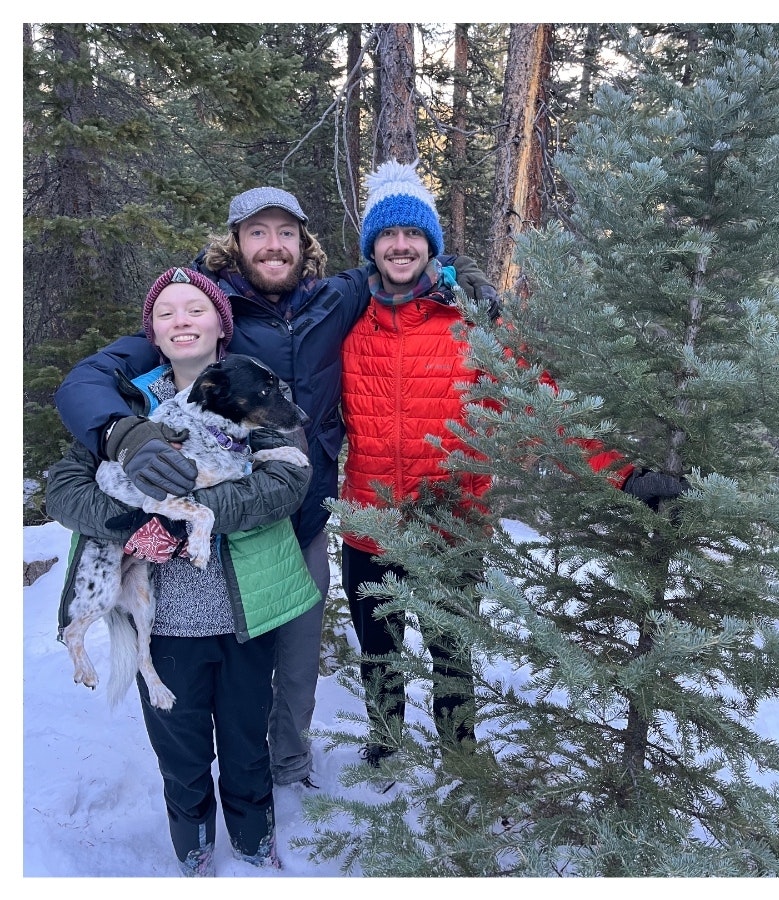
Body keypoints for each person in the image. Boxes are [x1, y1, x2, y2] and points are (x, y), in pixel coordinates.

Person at [52, 186, 494, 790]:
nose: (273, 245)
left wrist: (466, 277)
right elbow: (92, 375)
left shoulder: (335, 299)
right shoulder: (206, 311)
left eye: (286, 232)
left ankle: (287, 771)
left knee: (298, 665)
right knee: (235, 663)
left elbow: (403, 266)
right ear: (234, 243)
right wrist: (119, 431)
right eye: (257, 232)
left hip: (306, 517)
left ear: (304, 243)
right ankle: (224, 782)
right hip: (229, 523)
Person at [340, 161, 686, 770]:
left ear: (430, 246)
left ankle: (460, 753)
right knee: (378, 649)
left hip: (450, 522)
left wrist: (622, 473)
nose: (400, 246)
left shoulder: (475, 324)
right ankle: (385, 743)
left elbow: (539, 400)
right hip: (369, 524)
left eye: (413, 236)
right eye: (388, 236)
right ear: (372, 246)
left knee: (451, 653)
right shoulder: (347, 325)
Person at [48, 268, 321, 876]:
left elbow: (287, 482)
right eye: (166, 313)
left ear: (220, 326)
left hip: (247, 607)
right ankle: (193, 842)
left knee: (249, 741)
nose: (181, 322)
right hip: (163, 617)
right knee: (180, 746)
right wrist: (129, 517)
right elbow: (64, 491)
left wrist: (186, 514)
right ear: (152, 330)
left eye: (195, 309)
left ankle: (253, 839)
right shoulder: (121, 404)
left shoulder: (258, 393)